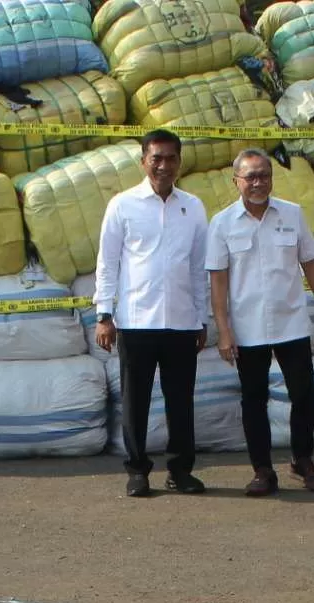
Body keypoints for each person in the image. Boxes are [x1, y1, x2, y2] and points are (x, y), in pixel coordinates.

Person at [207, 148, 314, 497]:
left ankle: (302, 459)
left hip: (291, 321)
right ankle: (262, 469)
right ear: (236, 181)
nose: (258, 183)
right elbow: (218, 280)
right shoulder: (221, 224)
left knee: (304, 394)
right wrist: (224, 329)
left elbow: (310, 264)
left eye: (264, 175)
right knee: (254, 399)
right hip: (248, 328)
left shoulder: (292, 215)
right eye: (250, 177)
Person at [93, 129, 209, 498]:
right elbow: (108, 263)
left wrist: (200, 317)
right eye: (156, 158)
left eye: (170, 158)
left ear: (180, 161)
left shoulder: (192, 206)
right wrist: (104, 314)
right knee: (135, 400)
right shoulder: (123, 205)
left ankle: (180, 470)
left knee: (181, 401)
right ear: (143, 161)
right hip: (136, 320)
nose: (163, 165)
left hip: (179, 321)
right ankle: (138, 470)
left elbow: (198, 267)